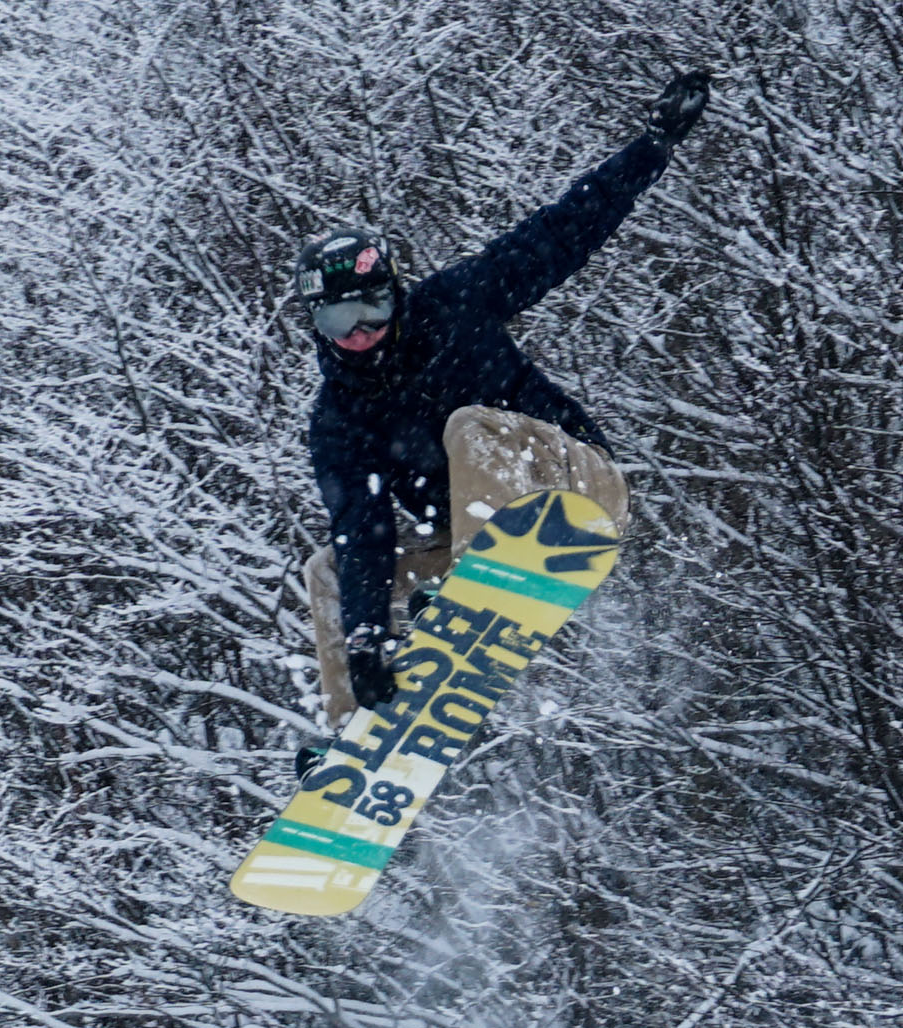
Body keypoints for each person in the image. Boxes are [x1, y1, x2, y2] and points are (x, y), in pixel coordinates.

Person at [293, 69, 711, 746]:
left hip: (575, 489)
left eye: (373, 307)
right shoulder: (339, 418)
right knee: (332, 574)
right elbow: (363, 529)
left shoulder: (454, 306)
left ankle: (474, 581)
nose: (362, 331)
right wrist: (369, 635)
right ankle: (361, 734)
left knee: (467, 425)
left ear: (396, 296)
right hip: (472, 540)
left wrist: (653, 145)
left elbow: (562, 233)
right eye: (342, 318)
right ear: (317, 322)